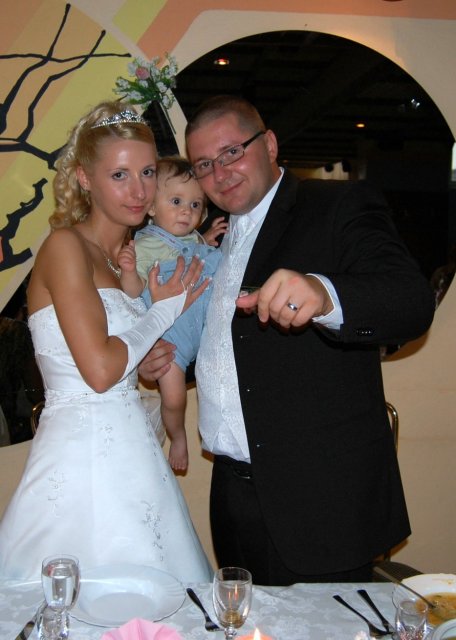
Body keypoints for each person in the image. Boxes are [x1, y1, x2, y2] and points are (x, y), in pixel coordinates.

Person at [140, 95, 435, 586]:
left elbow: (410, 299)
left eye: (232, 152)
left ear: (270, 144)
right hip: (231, 492)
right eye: (205, 164)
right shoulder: (213, 240)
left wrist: (324, 292)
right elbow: (230, 340)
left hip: (320, 501)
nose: (220, 173)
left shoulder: (335, 205)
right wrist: (171, 358)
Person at [0, 101, 213, 583]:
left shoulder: (120, 262)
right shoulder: (65, 246)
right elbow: (98, 372)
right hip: (81, 459)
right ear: (84, 178)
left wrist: (145, 361)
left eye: (147, 173)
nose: (139, 191)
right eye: (119, 175)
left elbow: (115, 357)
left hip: (132, 452)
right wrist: (163, 312)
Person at [118, 156, 225, 471]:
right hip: (171, 337)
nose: (186, 211)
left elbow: (195, 254)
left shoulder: (194, 239)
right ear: (151, 207)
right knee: (175, 398)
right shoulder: (144, 245)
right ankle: (178, 437)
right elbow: (133, 293)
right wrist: (128, 271)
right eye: (176, 201)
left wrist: (205, 241)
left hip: (205, 326)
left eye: (195, 205)